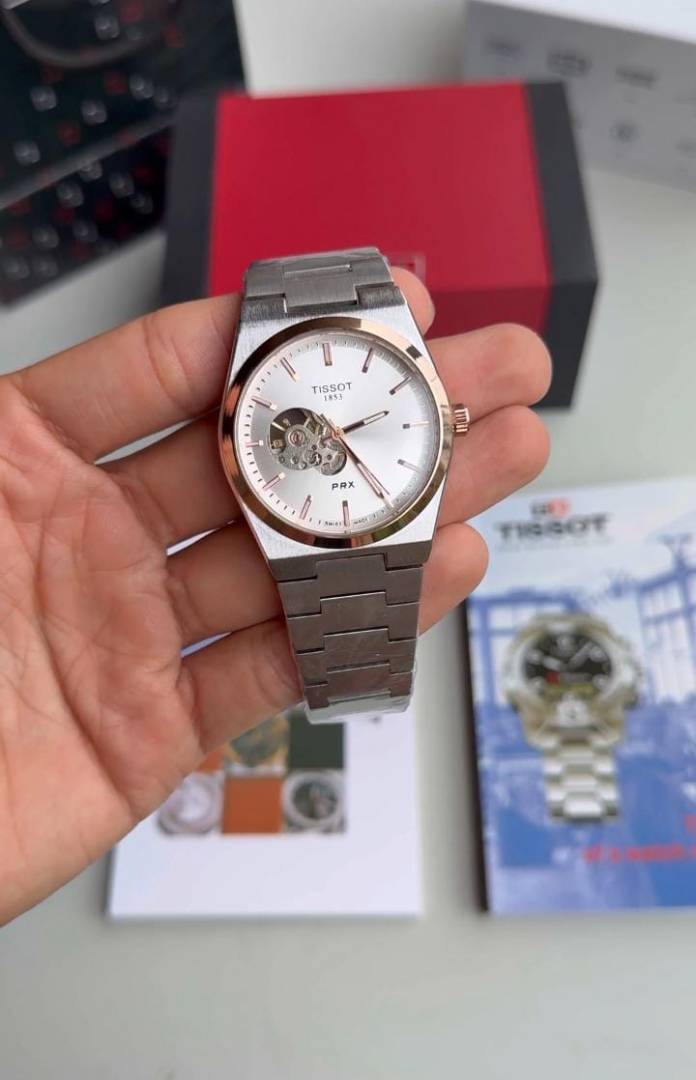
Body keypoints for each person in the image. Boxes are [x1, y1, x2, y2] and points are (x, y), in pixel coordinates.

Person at [0, 271, 550, 924]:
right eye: (323, 437)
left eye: (348, 429)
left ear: (446, 421)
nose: (332, 439)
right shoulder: (265, 440)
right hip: (308, 511)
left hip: (372, 505)